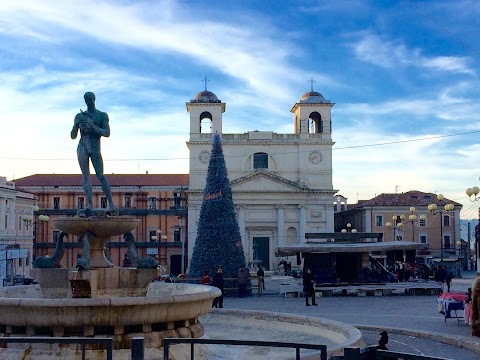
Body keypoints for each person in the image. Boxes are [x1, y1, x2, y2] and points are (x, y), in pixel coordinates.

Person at [71, 92, 115, 211]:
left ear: (94, 99)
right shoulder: (79, 116)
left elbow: (107, 133)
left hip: (95, 147)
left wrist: (92, 127)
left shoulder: (102, 115)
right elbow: (73, 136)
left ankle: (111, 204)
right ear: (84, 101)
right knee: (85, 176)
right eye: (86, 99)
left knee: (100, 175)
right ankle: (89, 204)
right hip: (83, 146)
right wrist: (76, 125)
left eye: (90, 98)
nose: (88, 101)